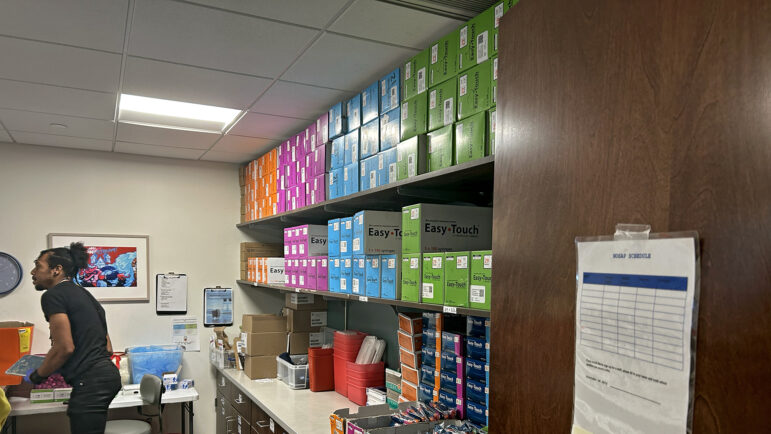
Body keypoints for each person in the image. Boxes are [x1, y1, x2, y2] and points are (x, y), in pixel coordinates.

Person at [26, 242, 121, 434]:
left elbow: (64, 348)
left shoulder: (53, 295)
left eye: (38, 266)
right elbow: (108, 348)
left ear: (56, 270)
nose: (32, 272)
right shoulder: (85, 295)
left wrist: (38, 375)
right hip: (107, 376)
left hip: (91, 380)